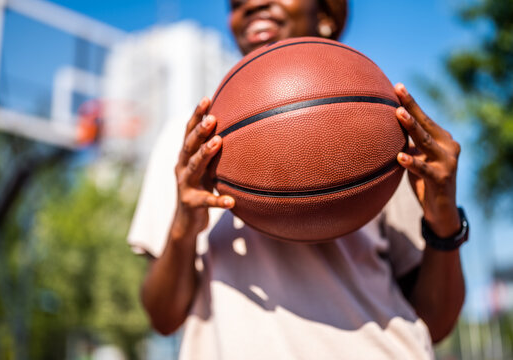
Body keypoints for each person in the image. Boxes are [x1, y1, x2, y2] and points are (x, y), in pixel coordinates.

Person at [128, 0, 468, 358]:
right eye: (236, 3)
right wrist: (183, 228)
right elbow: (164, 318)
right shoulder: (191, 140)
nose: (253, 4)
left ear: (324, 15)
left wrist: (445, 220)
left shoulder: (379, 131)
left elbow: (435, 323)